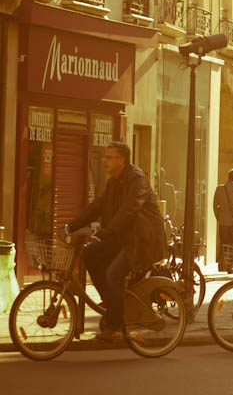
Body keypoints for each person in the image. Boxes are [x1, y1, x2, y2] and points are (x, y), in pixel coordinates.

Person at [65, 141, 167, 340]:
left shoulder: (137, 180)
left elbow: (129, 209)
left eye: (109, 157)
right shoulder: (113, 181)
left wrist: (108, 230)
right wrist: (71, 226)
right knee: (89, 253)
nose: (105, 161)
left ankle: (116, 326)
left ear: (121, 160)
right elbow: (97, 206)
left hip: (142, 240)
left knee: (113, 274)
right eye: (105, 157)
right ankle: (113, 303)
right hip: (123, 237)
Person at [213, 168, 233, 271]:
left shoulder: (219, 189)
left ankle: (222, 264)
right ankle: (231, 264)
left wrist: (218, 216)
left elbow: (215, 205)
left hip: (223, 221)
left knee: (223, 242)